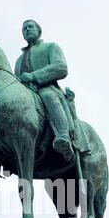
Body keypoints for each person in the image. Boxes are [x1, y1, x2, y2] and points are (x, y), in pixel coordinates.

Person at [15, 19, 75, 162]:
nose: (27, 30)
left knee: (48, 96)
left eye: (30, 27)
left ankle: (63, 136)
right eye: (24, 29)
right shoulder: (19, 60)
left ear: (39, 30)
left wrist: (34, 76)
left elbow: (61, 68)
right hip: (25, 94)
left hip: (46, 88)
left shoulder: (51, 47)